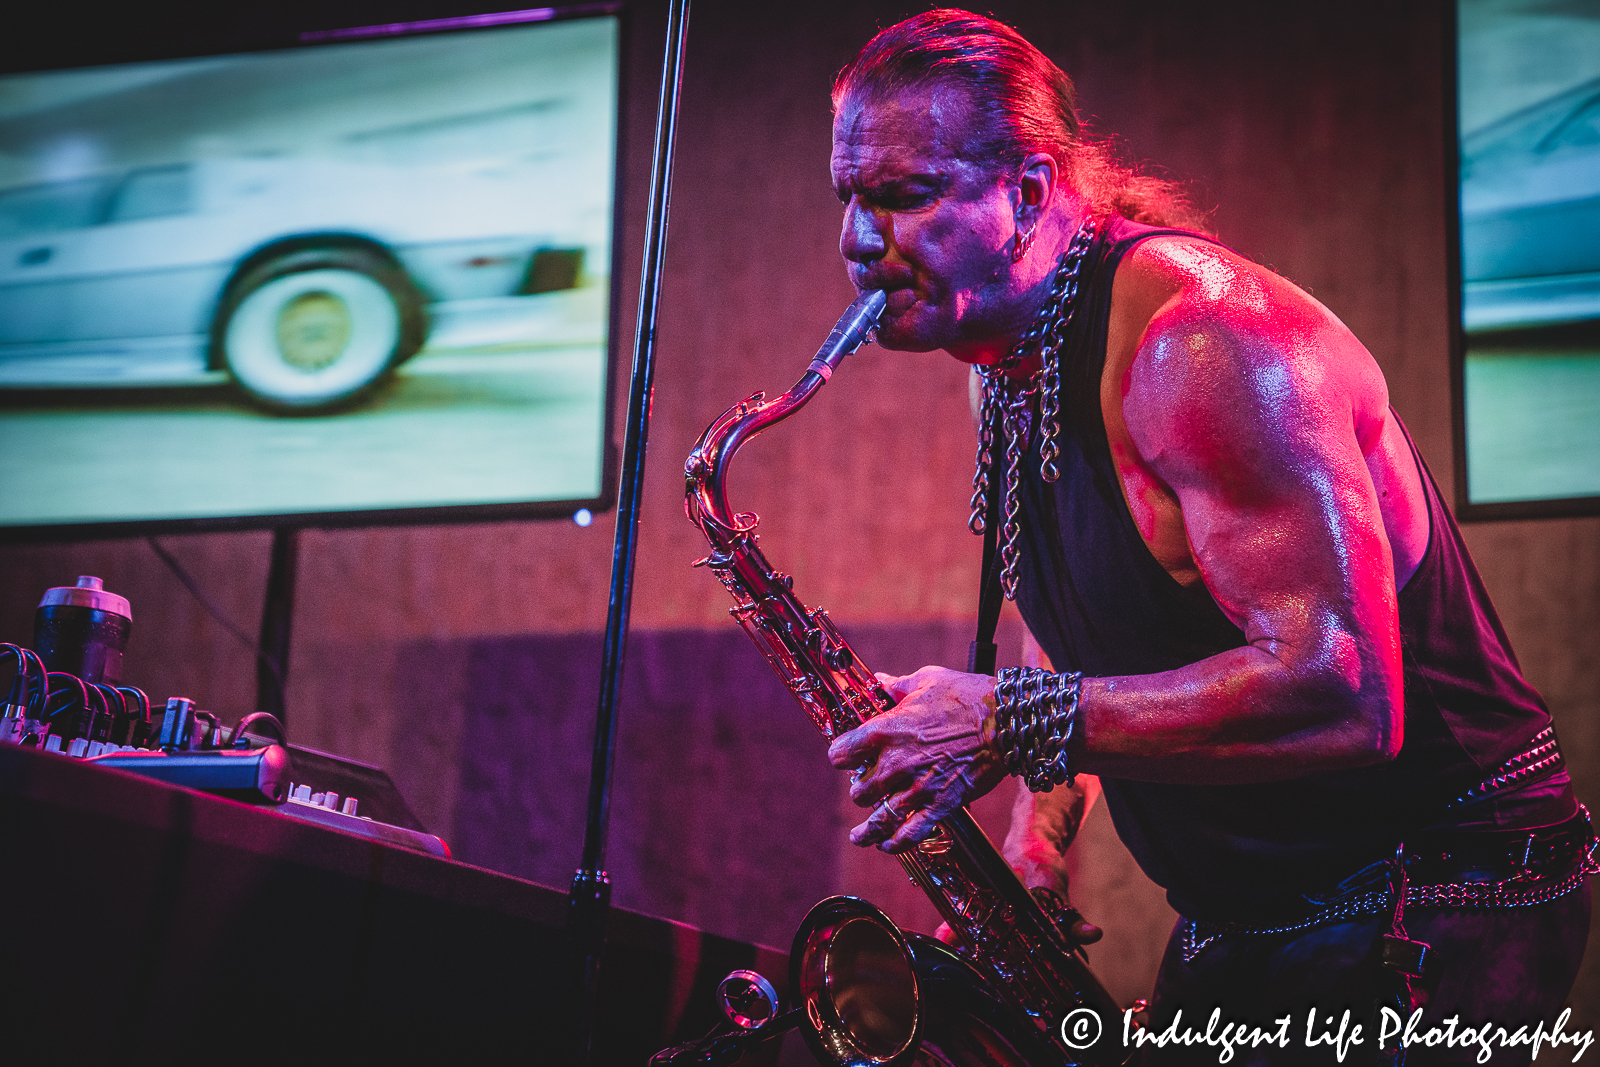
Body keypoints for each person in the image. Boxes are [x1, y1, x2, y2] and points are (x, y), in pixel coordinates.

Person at [820, 9, 1594, 1063]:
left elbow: (1343, 688)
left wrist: (1004, 719)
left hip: (1434, 878)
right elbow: (1099, 619)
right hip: (1260, 900)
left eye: (904, 196)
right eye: (849, 198)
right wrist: (1036, 836)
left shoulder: (1202, 343)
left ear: (1030, 192)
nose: (859, 242)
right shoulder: (1006, 367)